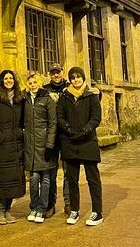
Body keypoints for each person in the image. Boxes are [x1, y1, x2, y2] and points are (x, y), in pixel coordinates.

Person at [57, 67, 104, 226]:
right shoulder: (65, 96)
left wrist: (85, 130)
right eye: (73, 77)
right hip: (69, 141)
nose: (76, 80)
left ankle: (97, 212)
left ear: (83, 78)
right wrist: (69, 129)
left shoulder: (91, 96)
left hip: (88, 140)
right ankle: (74, 210)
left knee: (93, 178)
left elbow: (96, 117)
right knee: (72, 179)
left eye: (78, 77)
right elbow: (60, 116)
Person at [0, 70, 26, 225]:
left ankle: (7, 209)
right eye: (6, 78)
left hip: (16, 143)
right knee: (3, 176)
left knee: (15, 177)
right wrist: (0, 137)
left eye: (11, 78)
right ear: (1, 81)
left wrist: (20, 133)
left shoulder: (19, 98)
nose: (9, 81)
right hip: (2, 144)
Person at [23, 72, 57, 223]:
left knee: (46, 178)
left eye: (35, 82)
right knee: (34, 178)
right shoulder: (25, 99)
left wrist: (50, 144)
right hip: (31, 144)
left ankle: (42, 208)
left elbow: (53, 123)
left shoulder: (47, 99)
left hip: (44, 144)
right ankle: (34, 207)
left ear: (40, 83)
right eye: (30, 83)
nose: (33, 85)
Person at [43, 63, 69, 217]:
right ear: (49, 74)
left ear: (62, 72)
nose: (56, 75)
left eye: (58, 72)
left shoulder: (70, 87)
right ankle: (50, 204)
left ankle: (69, 203)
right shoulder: (45, 90)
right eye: (53, 73)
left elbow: (86, 95)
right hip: (51, 136)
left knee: (68, 171)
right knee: (50, 172)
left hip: (66, 135)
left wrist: (97, 91)